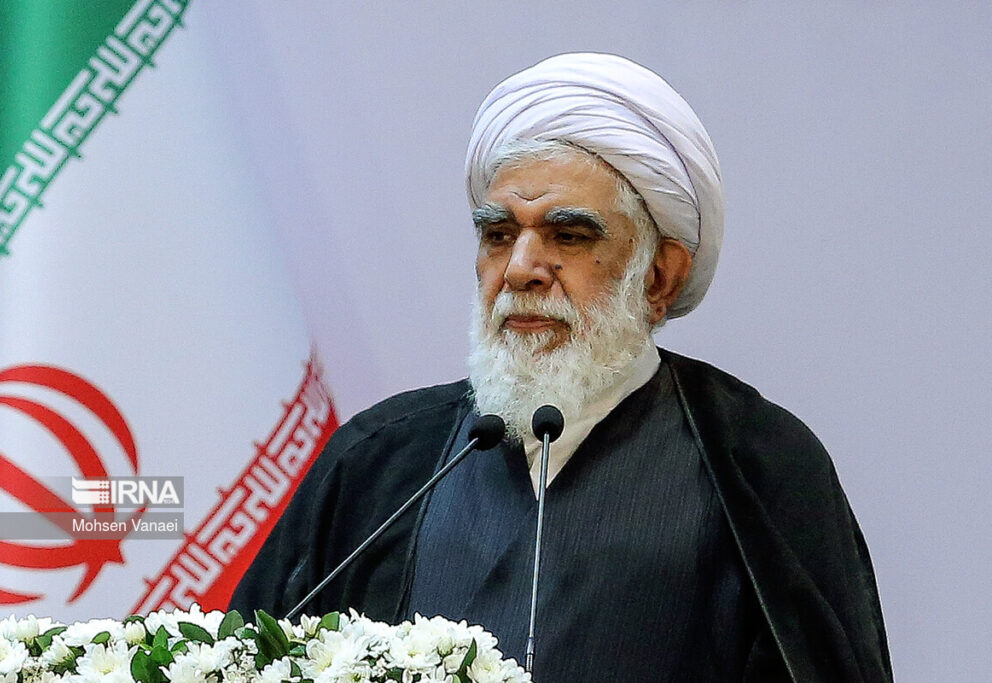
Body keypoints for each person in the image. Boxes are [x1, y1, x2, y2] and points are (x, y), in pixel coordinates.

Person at [231, 53, 892, 682]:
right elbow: (243, 657)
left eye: (568, 235)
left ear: (658, 276)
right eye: (498, 235)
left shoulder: (759, 463)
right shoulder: (380, 461)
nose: (520, 268)